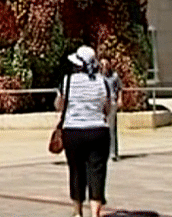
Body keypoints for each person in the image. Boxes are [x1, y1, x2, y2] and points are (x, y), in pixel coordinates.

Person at [56, 45, 112, 217]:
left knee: (76, 170)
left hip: (73, 131)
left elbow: (60, 105)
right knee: (97, 171)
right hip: (98, 130)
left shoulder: (67, 81)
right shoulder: (103, 81)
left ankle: (78, 211)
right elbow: (107, 108)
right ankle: (95, 212)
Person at [100, 58, 123, 161]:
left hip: (112, 103)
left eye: (106, 64)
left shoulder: (114, 76)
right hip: (101, 104)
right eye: (102, 64)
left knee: (111, 128)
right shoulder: (98, 77)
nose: (104, 66)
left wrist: (120, 100)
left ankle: (113, 152)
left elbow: (119, 89)